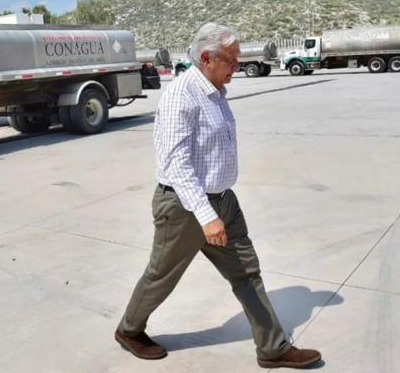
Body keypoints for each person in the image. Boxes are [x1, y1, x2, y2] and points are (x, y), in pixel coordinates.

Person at [115, 23, 322, 369]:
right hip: (184, 207)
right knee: (162, 274)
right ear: (208, 57)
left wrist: (219, 207)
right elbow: (176, 163)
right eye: (231, 60)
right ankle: (129, 330)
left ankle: (272, 348)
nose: (236, 67)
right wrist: (206, 216)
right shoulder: (182, 94)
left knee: (246, 272)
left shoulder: (216, 91)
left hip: (223, 201)